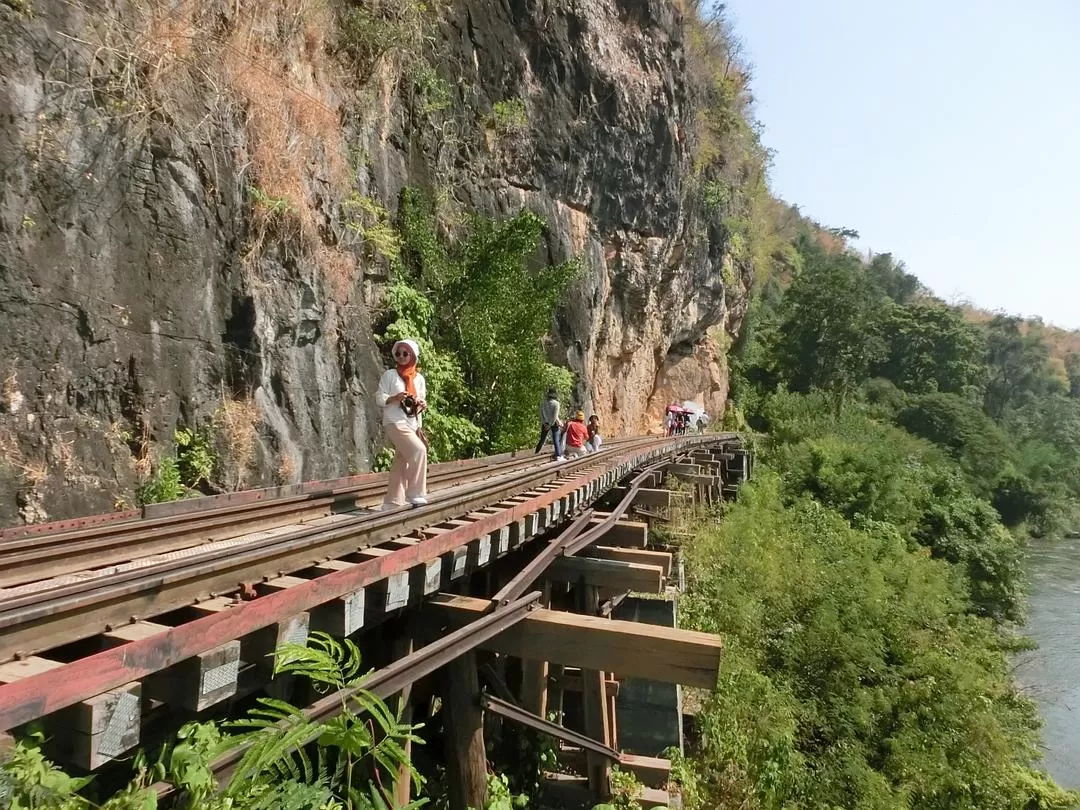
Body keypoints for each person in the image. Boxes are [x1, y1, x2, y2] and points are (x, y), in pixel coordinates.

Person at [375, 339, 429, 509]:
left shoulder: (419, 379)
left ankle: (392, 502)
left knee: (401, 460)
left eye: (405, 353)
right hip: (394, 422)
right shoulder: (390, 375)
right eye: (398, 353)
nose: (401, 357)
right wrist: (395, 398)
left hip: (412, 423)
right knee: (419, 450)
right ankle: (416, 494)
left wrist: (421, 404)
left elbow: (419, 401)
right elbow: (379, 397)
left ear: (413, 355)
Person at [535, 388, 565, 461]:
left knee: (542, 439)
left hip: (545, 423)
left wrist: (544, 423)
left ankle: (536, 452)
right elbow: (554, 416)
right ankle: (559, 455)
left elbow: (541, 413)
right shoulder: (556, 404)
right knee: (556, 440)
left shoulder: (543, 402)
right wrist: (550, 425)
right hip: (553, 423)